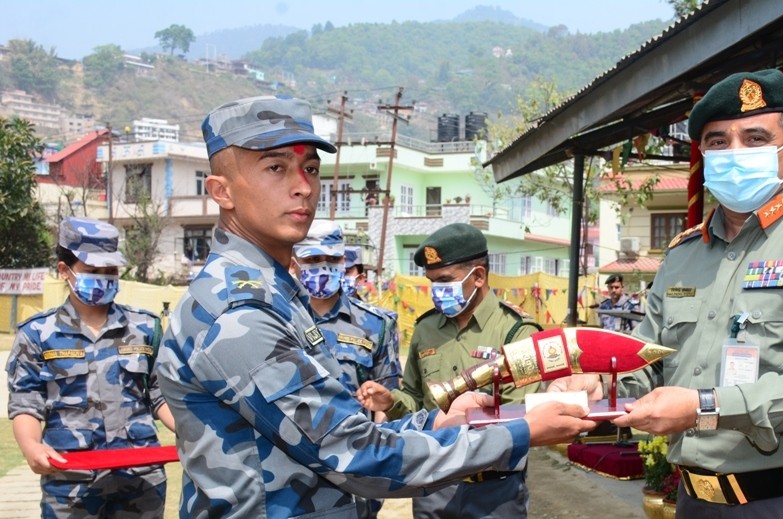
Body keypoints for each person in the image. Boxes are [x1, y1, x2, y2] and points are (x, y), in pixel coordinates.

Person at [155, 95, 596, 519]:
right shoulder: (238, 314)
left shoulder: (277, 295)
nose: (303, 187)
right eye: (276, 168)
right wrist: (520, 432)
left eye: (311, 167)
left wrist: (438, 422)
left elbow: (345, 430)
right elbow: (356, 456)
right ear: (221, 190)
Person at [606, 69, 783, 517]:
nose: (734, 152)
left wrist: (702, 408)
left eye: (755, 138)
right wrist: (596, 385)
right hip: (694, 501)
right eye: (718, 142)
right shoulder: (683, 254)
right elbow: (648, 362)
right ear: (702, 154)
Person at [357, 222, 544, 519]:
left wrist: (464, 417)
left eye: (445, 280)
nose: (437, 291)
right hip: (433, 486)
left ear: (479, 276)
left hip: (495, 491)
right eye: (433, 282)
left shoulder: (517, 332)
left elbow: (522, 415)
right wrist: (392, 403)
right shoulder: (426, 329)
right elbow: (416, 401)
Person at [6, 216, 175, 518]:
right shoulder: (37, 334)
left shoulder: (144, 327)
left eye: (110, 272)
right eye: (93, 271)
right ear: (64, 271)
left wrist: (191, 430)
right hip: (71, 481)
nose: (104, 279)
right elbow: (26, 403)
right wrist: (31, 446)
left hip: (141, 478)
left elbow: (160, 393)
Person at [292, 220, 401, 519]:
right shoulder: (278, 318)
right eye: (313, 260)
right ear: (294, 262)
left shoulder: (377, 324)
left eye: (332, 259)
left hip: (353, 472)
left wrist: (376, 459)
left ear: (344, 261)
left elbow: (388, 397)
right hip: (290, 474)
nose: (324, 267)